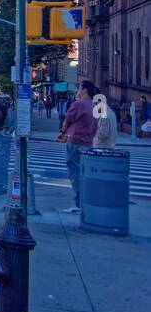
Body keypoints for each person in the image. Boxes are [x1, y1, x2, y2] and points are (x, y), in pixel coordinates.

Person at [57, 80, 98, 213]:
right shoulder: (94, 106)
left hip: (75, 141)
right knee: (84, 173)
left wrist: (63, 133)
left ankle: (78, 203)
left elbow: (66, 121)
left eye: (79, 88)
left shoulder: (78, 104)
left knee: (74, 173)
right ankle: (85, 202)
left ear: (84, 90)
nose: (78, 91)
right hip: (88, 143)